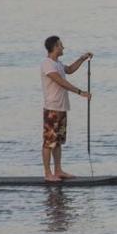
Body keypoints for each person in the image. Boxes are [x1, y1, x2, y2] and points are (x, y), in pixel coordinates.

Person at [41, 36, 92, 182]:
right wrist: (80, 92)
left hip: (62, 108)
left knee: (57, 141)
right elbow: (61, 82)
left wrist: (82, 59)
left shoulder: (58, 63)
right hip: (52, 108)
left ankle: (58, 170)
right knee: (49, 141)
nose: (63, 48)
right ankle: (48, 173)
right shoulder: (47, 64)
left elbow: (69, 70)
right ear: (55, 47)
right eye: (61, 45)